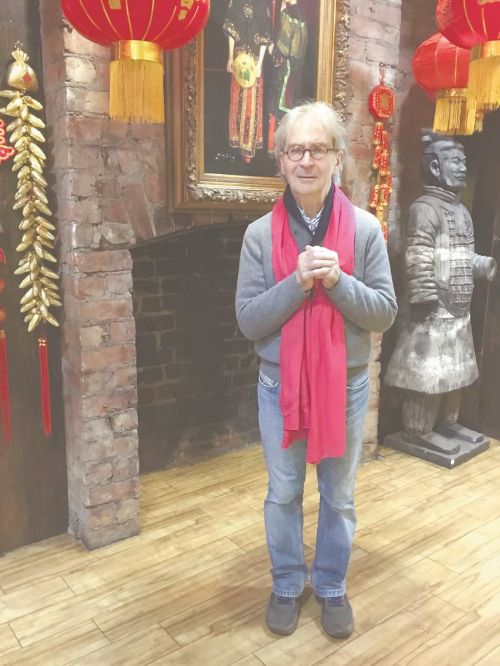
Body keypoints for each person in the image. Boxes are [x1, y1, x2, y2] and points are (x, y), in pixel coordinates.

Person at [235, 101, 397, 638]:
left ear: (337, 158)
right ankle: (286, 582)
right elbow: (249, 321)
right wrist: (298, 282)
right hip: (278, 385)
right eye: (295, 150)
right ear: (281, 160)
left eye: (318, 149)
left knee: (339, 494)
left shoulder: (366, 230)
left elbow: (384, 313)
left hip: (345, 388)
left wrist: (339, 282)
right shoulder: (259, 235)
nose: (306, 160)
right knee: (283, 492)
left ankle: (330, 584)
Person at [384, 131, 496, 450]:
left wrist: (481, 265)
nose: (463, 167)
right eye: (455, 162)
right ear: (435, 167)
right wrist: (424, 297)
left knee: (456, 369)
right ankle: (417, 430)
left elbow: (459, 255)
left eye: (463, 162)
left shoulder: (462, 212)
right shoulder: (424, 208)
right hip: (431, 310)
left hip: (457, 308)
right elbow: (419, 255)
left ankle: (448, 423)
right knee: (427, 373)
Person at [223, 0, 272, 163]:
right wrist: (230, 58)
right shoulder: (235, 3)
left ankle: (248, 146)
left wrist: (259, 64)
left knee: (251, 105)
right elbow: (231, 30)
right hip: (239, 61)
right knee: (236, 102)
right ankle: (236, 140)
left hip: (254, 62)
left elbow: (265, 36)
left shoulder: (262, 5)